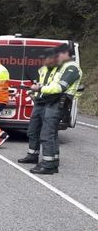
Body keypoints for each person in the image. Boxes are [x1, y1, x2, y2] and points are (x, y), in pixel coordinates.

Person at [17, 44, 82, 174]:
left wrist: (39, 89)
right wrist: (36, 93)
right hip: (45, 101)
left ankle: (49, 165)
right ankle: (39, 157)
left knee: (47, 134)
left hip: (57, 102)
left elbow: (59, 88)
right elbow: (47, 83)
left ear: (65, 54)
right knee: (34, 130)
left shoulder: (71, 68)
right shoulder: (55, 67)